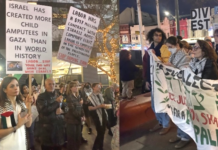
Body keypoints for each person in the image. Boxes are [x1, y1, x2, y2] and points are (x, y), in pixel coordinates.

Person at [164, 37, 191, 149]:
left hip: (182, 89)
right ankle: (180, 134)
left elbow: (185, 72)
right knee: (177, 112)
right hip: (175, 88)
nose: (169, 49)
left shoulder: (185, 57)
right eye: (168, 47)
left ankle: (185, 137)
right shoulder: (174, 55)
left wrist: (172, 67)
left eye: (170, 47)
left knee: (183, 113)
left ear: (176, 45)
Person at [145, 28, 171, 135]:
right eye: (156, 35)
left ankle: (166, 124)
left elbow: (166, 62)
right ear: (152, 36)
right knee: (154, 104)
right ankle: (160, 122)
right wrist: (147, 80)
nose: (158, 37)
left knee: (161, 103)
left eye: (160, 35)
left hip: (161, 80)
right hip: (152, 79)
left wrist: (156, 56)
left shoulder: (163, 47)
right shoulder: (150, 48)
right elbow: (147, 65)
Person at [0, 77, 32, 150]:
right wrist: (17, 126)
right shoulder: (1, 107)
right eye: (12, 86)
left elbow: (28, 124)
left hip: (21, 145)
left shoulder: (21, 104)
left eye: (17, 85)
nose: (16, 88)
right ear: (4, 90)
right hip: (6, 146)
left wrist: (28, 106)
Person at [36, 78, 65, 150]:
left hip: (59, 128)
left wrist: (62, 111)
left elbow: (66, 107)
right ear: (45, 86)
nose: (52, 86)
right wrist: (56, 102)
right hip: (47, 129)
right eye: (50, 84)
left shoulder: (58, 95)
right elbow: (44, 110)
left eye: (53, 84)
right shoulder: (41, 97)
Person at [88, 83, 108, 150]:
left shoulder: (100, 95)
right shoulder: (90, 97)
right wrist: (99, 106)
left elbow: (103, 104)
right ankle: (95, 148)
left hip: (103, 114)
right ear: (93, 87)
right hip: (97, 116)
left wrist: (105, 106)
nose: (99, 88)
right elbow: (90, 108)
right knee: (100, 132)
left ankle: (100, 147)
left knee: (103, 131)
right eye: (98, 87)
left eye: (100, 87)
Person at [65, 82, 85, 150]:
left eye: (77, 86)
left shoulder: (78, 96)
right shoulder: (69, 97)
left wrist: (83, 115)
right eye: (74, 86)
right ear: (70, 88)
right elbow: (72, 110)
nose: (76, 87)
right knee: (72, 140)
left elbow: (81, 107)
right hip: (71, 120)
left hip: (77, 120)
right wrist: (80, 117)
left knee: (77, 138)